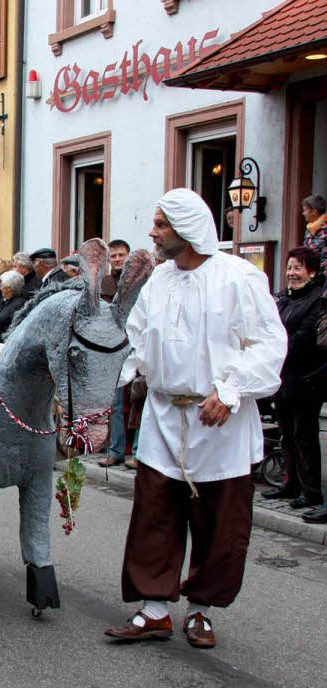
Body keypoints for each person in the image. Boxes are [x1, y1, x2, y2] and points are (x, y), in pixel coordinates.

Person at [105, 188, 286, 650]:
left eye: (161, 224)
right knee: (155, 514)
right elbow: (137, 337)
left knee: (219, 520)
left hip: (220, 420)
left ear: (186, 231)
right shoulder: (160, 280)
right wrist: (117, 378)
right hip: (165, 414)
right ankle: (155, 610)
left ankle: (202, 610)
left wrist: (230, 390)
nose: (153, 231)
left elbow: (269, 345)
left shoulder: (239, 278)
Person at [260, 247, 326, 515]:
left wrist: (276, 347)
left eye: (297, 268)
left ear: (311, 271)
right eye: (289, 268)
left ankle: (311, 492)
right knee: (287, 434)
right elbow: (268, 328)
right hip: (283, 377)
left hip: (306, 379)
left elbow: (304, 336)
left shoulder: (316, 299)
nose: (291, 274)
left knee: (304, 435)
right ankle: (290, 484)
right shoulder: (285, 298)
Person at [99, 239, 140, 468]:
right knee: (114, 404)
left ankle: (138, 452)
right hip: (112, 349)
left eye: (121, 255)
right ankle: (115, 451)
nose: (117, 259)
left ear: (128, 256)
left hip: (135, 345)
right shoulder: (104, 283)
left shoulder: (138, 281)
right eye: (113, 256)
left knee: (139, 401)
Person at [301, 194, 327, 270]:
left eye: (305, 210)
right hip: (311, 274)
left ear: (314, 212)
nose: (303, 213)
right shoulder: (309, 229)